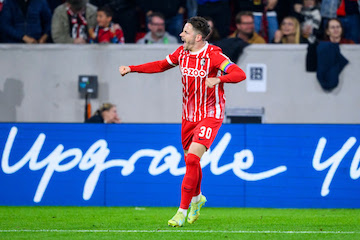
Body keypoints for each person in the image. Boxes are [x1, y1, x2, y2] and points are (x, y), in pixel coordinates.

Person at [119, 16, 246, 227]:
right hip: (188, 117)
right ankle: (197, 199)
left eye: (185, 32)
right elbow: (160, 65)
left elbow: (239, 73)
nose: (180, 35)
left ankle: (181, 211)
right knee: (191, 162)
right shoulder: (181, 53)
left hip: (210, 114)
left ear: (197, 36)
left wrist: (219, 79)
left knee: (192, 161)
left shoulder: (213, 55)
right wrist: (132, 68)